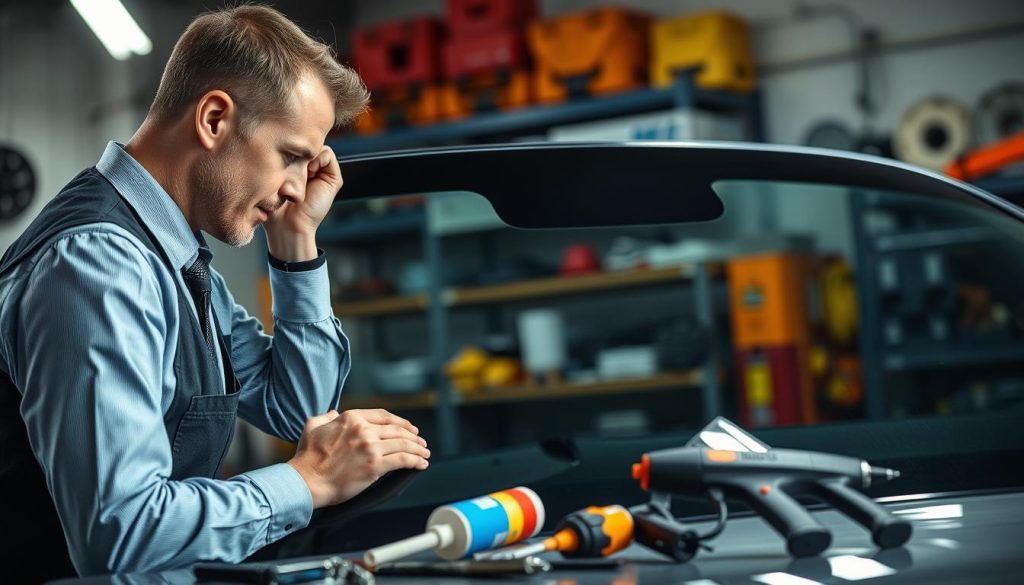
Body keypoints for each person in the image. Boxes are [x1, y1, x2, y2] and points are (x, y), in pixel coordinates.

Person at [0, 5, 430, 581]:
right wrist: (308, 481)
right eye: (291, 156)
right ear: (213, 119)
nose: (297, 189)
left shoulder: (173, 261)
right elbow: (121, 535)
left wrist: (296, 240)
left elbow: (297, 410)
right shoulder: (99, 264)